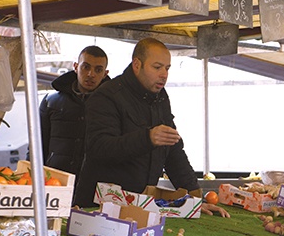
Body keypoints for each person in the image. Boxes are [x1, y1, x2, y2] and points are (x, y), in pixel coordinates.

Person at [74, 38, 229, 217]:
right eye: (157, 67)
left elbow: (174, 151)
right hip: (98, 209)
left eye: (167, 68)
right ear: (137, 64)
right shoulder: (106, 97)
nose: (164, 74)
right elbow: (99, 148)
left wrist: (195, 199)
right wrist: (147, 138)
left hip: (141, 206)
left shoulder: (161, 98)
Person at [39, 45, 109, 175]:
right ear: (76, 67)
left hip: (93, 184)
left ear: (105, 73)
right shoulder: (51, 102)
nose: (91, 74)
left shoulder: (113, 106)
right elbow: (37, 146)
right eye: (86, 67)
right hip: (55, 181)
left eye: (98, 70)